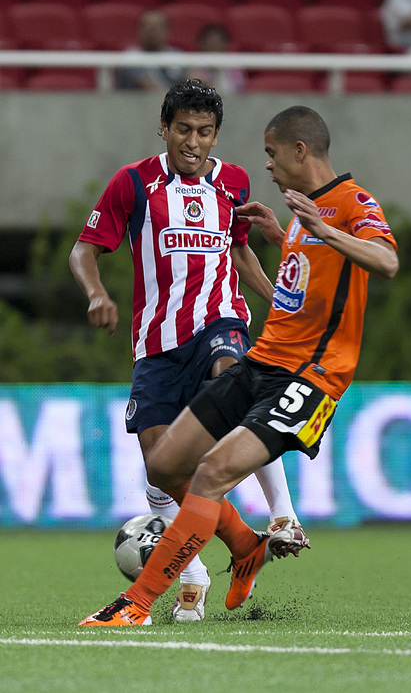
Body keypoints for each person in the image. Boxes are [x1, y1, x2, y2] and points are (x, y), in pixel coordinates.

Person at [78, 105, 399, 627]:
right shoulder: (301, 213)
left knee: (210, 472)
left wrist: (323, 229)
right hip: (263, 361)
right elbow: (302, 289)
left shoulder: (350, 202)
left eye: (272, 153)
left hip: (309, 378)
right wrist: (281, 234)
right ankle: (247, 546)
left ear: (299, 151)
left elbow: (386, 261)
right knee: (164, 467)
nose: (266, 164)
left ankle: (137, 603)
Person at [69, 81, 309, 623]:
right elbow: (83, 251)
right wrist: (97, 293)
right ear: (164, 128)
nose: (193, 142)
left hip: (220, 322)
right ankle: (227, 554)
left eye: (204, 131)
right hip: (156, 345)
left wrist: (278, 303)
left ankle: (283, 515)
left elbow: (239, 253)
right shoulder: (133, 183)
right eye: (183, 129)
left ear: (216, 135)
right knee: (163, 470)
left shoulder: (234, 181)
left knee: (233, 385)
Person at [116, 9, 185, 91]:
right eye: (148, 27)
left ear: (167, 31)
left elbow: (191, 77)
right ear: (139, 30)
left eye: (156, 28)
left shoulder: (177, 55)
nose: (152, 32)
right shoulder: (130, 57)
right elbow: (148, 86)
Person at [187, 23, 246, 94]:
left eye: (218, 41)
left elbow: (237, 90)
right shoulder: (193, 64)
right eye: (210, 41)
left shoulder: (234, 66)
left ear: (226, 44)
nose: (214, 45)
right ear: (201, 43)